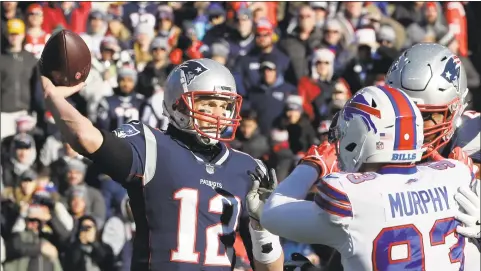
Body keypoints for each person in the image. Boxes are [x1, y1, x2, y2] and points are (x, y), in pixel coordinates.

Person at [41, 58, 283, 270]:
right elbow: (86, 138)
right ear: (178, 104)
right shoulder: (150, 145)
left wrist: (262, 229)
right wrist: (53, 97)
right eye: (208, 103)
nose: (218, 114)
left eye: (225, 105)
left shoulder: (248, 169)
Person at [258, 85, 480, 270]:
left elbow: (272, 214)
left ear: (360, 135)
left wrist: (312, 164)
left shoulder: (353, 195)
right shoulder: (454, 174)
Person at [385, 43, 480, 176]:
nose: (411, 126)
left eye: (424, 116)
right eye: (400, 112)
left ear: (454, 112)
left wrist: (471, 182)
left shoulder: (471, 136)